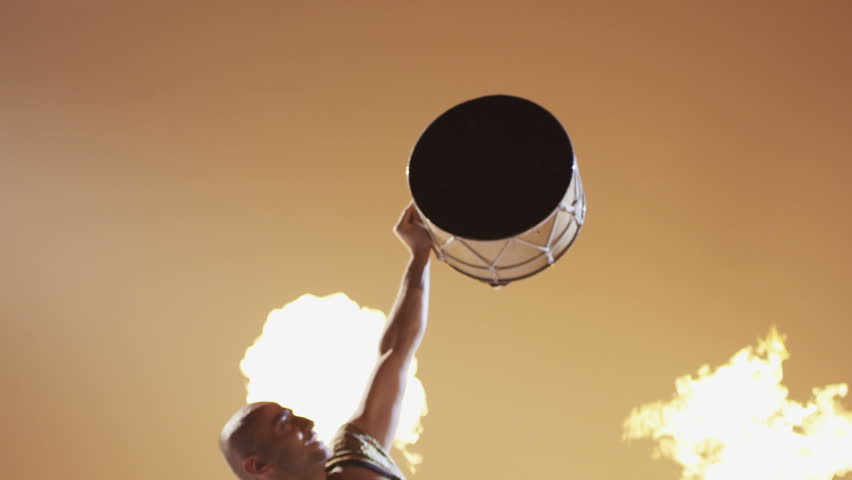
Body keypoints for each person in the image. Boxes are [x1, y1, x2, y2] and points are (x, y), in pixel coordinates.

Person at [219, 203, 432, 480]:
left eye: (292, 415)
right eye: (284, 424)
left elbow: (396, 349)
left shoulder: (355, 453)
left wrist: (419, 254)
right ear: (257, 466)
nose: (307, 423)